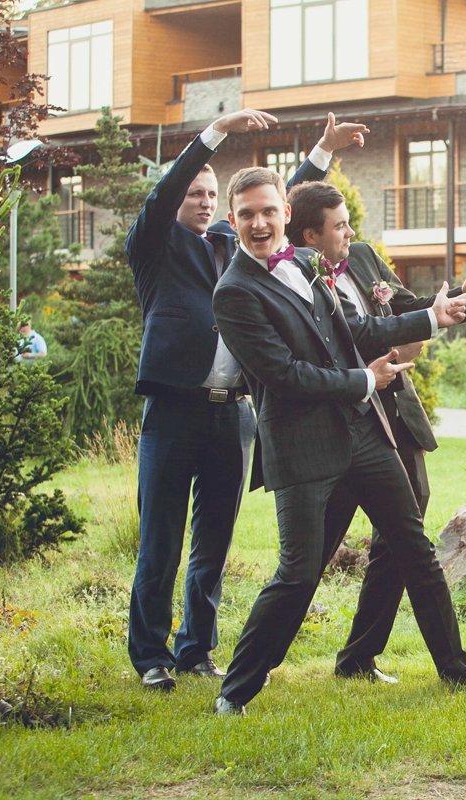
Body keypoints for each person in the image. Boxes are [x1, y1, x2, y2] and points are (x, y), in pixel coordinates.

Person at [210, 166, 466, 714]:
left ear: (285, 214)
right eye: (247, 215)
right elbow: (284, 375)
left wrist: (432, 318)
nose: (259, 223)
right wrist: (364, 381)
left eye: (268, 211)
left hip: (364, 434)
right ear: (233, 220)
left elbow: (355, 330)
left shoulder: (305, 264)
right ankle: (237, 690)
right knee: (298, 574)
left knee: (416, 551)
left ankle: (457, 672)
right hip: (302, 448)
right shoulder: (234, 293)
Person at [125, 108, 366, 691]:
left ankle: (195, 648)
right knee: (161, 539)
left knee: (214, 540)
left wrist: (322, 152)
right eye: (195, 193)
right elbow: (164, 195)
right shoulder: (155, 246)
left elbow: (275, 204)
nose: (204, 202)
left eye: (213, 195)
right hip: (173, 412)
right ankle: (151, 654)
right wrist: (214, 136)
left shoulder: (232, 244)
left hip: (233, 414)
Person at [286, 179, 466, 682]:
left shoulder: (363, 256)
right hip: (339, 425)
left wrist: (463, 296)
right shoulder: (297, 275)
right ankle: (258, 658)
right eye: (340, 225)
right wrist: (422, 324)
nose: (351, 233)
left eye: (349, 223)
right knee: (311, 554)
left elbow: (407, 307)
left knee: (404, 543)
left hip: (397, 421)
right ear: (310, 236)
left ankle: (360, 657)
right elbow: (349, 338)